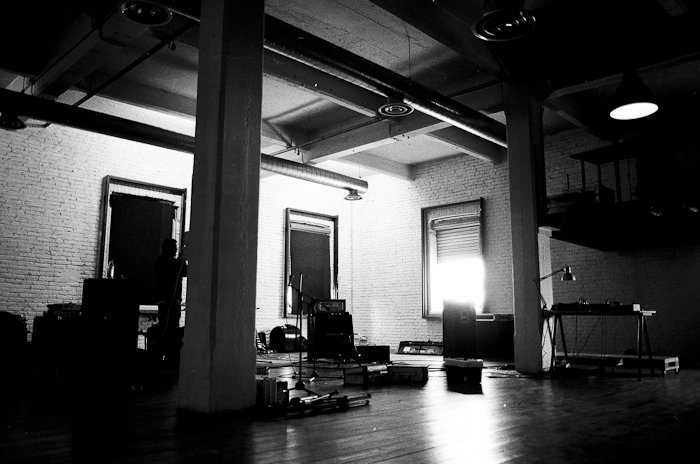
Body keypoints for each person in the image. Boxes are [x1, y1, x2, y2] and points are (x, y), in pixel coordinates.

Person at [153, 238, 187, 367]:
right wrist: (182, 259)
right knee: (170, 330)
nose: (176, 250)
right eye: (174, 247)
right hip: (169, 302)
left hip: (168, 301)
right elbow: (181, 271)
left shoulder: (162, 261)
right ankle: (169, 358)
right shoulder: (166, 262)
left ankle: (166, 357)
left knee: (169, 329)